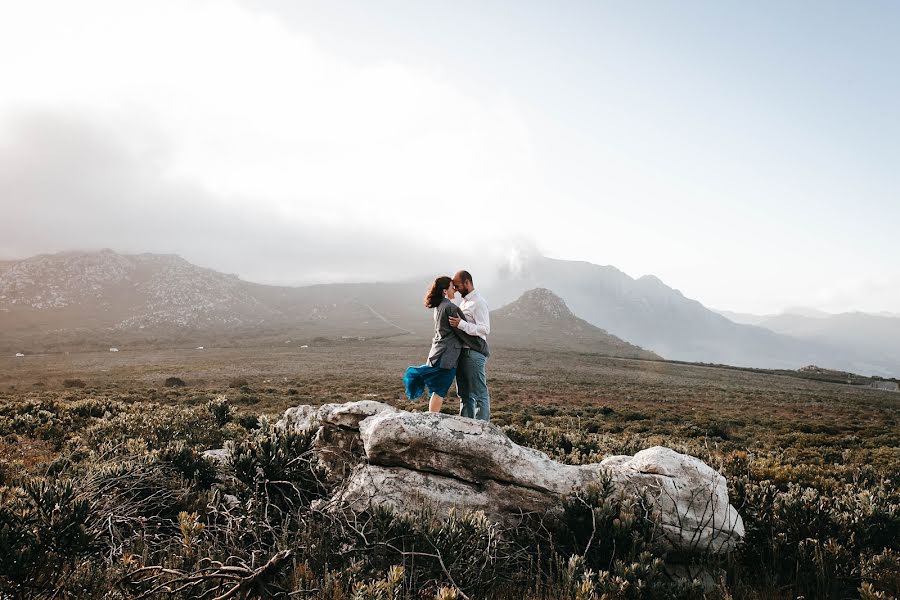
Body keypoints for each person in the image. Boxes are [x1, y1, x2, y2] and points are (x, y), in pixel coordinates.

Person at [403, 276, 477, 412]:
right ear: (444, 291)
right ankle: (432, 419)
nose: (454, 289)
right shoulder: (450, 307)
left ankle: (432, 417)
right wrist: (478, 344)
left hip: (438, 353)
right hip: (447, 357)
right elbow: (462, 331)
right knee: (440, 390)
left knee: (437, 390)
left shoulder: (439, 306)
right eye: (451, 287)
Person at [448, 270, 491, 421]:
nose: (456, 289)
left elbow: (484, 329)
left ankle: (482, 429)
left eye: (457, 285)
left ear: (467, 282)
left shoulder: (478, 302)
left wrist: (462, 324)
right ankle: (466, 424)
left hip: (474, 353)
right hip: (462, 353)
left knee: (479, 393)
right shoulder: (464, 302)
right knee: (464, 394)